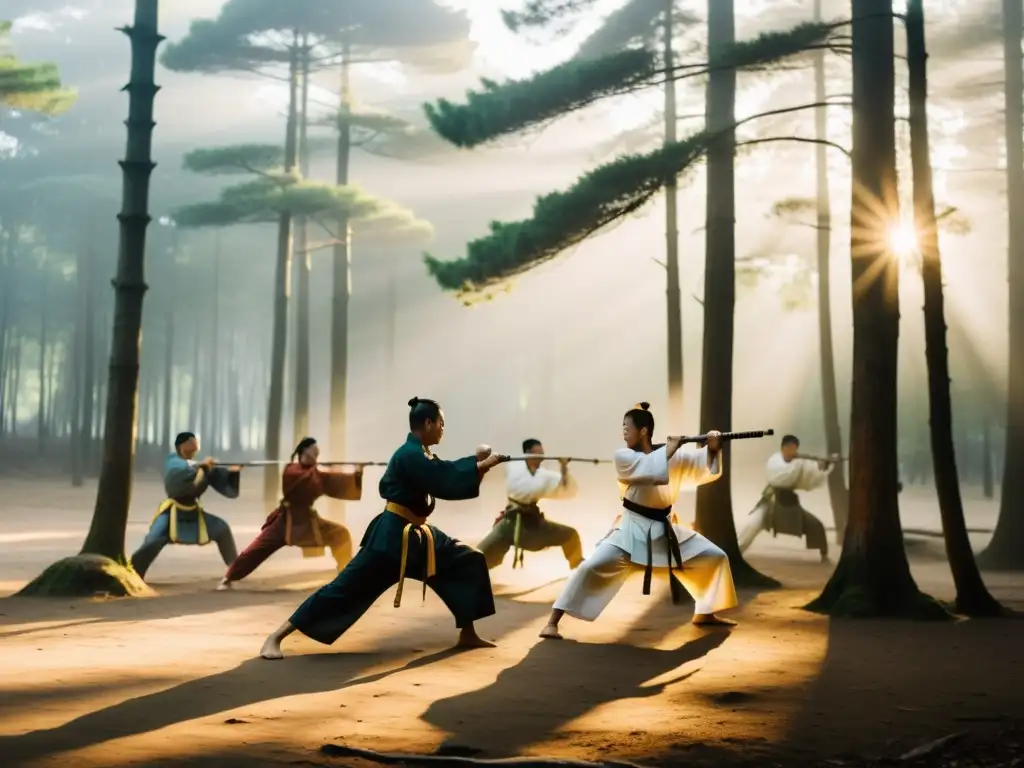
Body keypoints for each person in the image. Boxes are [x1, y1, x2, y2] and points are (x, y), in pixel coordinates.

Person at [259, 397, 504, 660]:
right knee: (343, 588)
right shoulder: (409, 454)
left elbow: (441, 471)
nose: (443, 428)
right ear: (428, 423)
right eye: (441, 423)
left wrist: (475, 466)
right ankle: (275, 637)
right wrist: (480, 467)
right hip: (390, 540)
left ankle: (468, 631)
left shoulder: (420, 453)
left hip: (418, 536)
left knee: (467, 560)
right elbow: (442, 479)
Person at [539, 402, 738, 640]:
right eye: (622, 427)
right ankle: (552, 621)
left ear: (643, 431)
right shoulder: (624, 456)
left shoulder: (671, 455)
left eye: (627, 427)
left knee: (715, 557)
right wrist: (669, 449)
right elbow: (649, 472)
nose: (623, 431)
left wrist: (712, 448)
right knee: (591, 566)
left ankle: (705, 612)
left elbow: (703, 467)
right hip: (630, 529)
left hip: (665, 530)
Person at [217, 437, 361, 590]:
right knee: (257, 549)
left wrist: (356, 475)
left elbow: (332, 482)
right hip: (286, 520)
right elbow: (304, 481)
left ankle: (346, 575)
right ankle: (229, 577)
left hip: (308, 522)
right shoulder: (291, 469)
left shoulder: (315, 473)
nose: (317, 454)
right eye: (314, 451)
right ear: (305, 451)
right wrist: (321, 470)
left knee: (340, 534)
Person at [131, 431, 241, 580]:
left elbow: (229, 491)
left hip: (193, 512)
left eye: (196, 443)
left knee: (222, 529)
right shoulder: (173, 462)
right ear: (182, 445)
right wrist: (201, 467)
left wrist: (233, 474)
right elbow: (181, 473)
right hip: (172, 511)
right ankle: (134, 573)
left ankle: (236, 570)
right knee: (153, 540)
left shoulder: (201, 467)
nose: (195, 446)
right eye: (191, 442)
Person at [476, 438, 583, 571]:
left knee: (571, 535)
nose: (540, 459)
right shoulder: (514, 467)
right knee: (476, 560)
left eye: (542, 455)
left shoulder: (541, 476)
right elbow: (486, 472)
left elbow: (567, 490)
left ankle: (579, 570)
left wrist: (564, 469)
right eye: (537, 454)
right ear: (527, 453)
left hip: (532, 528)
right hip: (510, 525)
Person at [737, 434, 834, 562]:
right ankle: (736, 552)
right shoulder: (775, 460)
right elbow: (780, 479)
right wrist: (798, 464)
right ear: (782, 448)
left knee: (816, 525)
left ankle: (824, 555)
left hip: (790, 503)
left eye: (794, 448)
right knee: (753, 524)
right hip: (771, 501)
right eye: (788, 447)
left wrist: (824, 466)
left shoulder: (800, 463)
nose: (791, 451)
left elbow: (812, 477)